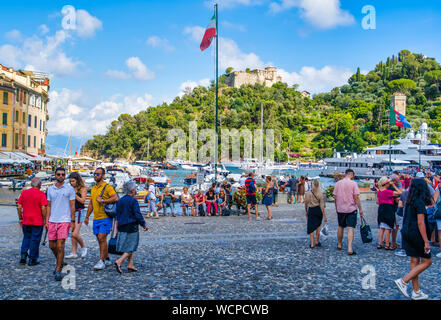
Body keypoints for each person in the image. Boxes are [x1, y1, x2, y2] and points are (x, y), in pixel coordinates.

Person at [395, 178, 433, 300]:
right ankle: (403, 281)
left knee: (414, 261)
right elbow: (421, 223)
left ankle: (416, 291)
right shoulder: (420, 202)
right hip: (416, 234)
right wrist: (426, 241)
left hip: (407, 232)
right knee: (427, 261)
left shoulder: (410, 200)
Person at [84, 167, 118, 271]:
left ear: (103, 176)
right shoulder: (93, 188)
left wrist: (103, 200)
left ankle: (101, 260)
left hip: (106, 217)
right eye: (94, 174)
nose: (95, 176)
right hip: (96, 218)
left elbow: (115, 197)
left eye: (98, 174)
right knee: (99, 239)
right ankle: (106, 257)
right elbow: (91, 203)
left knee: (102, 237)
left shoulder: (107, 187)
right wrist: (87, 216)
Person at [46, 167, 76, 281]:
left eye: (63, 174)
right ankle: (61, 261)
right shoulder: (50, 189)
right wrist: (47, 220)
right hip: (53, 220)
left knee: (60, 245)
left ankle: (58, 268)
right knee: (52, 246)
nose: (60, 176)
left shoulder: (69, 189)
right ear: (55, 175)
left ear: (65, 176)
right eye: (58, 174)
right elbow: (48, 205)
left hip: (64, 220)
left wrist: (72, 221)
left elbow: (72, 206)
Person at [114, 181, 148, 273]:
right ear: (132, 190)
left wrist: (117, 227)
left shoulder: (120, 200)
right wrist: (143, 224)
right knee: (132, 246)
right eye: (135, 189)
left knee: (128, 245)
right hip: (132, 225)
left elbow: (117, 214)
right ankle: (119, 261)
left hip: (122, 225)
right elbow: (137, 214)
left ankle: (130, 264)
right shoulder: (133, 201)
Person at [332, 169, 364, 255]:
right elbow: (356, 197)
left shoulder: (338, 183)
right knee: (350, 228)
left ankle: (339, 244)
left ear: (345, 174)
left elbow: (335, 197)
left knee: (340, 226)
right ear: (352, 175)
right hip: (351, 209)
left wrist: (336, 207)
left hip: (340, 209)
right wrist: (360, 209)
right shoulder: (353, 184)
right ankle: (350, 248)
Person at [17, 177, 48, 266]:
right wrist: (45, 219)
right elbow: (43, 208)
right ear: (40, 184)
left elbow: (19, 207)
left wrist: (20, 218)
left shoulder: (24, 193)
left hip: (26, 219)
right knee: (35, 239)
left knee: (26, 237)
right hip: (37, 220)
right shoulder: (41, 194)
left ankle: (23, 255)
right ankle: (32, 258)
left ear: (31, 184)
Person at [65, 172, 88, 259]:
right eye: (70, 181)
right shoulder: (70, 188)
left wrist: (74, 195)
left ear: (77, 180)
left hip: (79, 212)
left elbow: (82, 201)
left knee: (74, 233)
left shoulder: (82, 188)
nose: (72, 183)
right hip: (71, 212)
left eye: (73, 181)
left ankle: (83, 247)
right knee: (72, 234)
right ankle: (74, 252)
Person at [376, 177, 402, 250]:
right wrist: (394, 186)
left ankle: (380, 243)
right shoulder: (388, 192)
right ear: (386, 184)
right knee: (388, 228)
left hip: (381, 209)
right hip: (388, 209)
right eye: (388, 183)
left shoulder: (379, 191)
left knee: (381, 227)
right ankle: (387, 244)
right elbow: (400, 193)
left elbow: (377, 201)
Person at [305, 179, 327, 248]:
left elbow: (306, 203)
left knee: (311, 227)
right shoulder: (320, 193)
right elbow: (322, 205)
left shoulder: (308, 193)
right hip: (318, 210)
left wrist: (306, 211)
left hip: (311, 210)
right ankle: (317, 241)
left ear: (312, 185)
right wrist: (324, 215)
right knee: (318, 226)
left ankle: (312, 244)